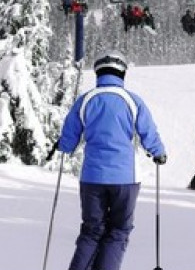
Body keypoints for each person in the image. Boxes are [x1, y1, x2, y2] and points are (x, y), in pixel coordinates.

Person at [56, 50, 167, 270]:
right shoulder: (131, 100)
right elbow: (148, 131)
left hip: (92, 177)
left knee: (91, 230)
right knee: (118, 231)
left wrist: (63, 146)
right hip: (125, 178)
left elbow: (69, 136)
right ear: (122, 73)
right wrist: (158, 152)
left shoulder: (86, 100)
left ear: (98, 73)